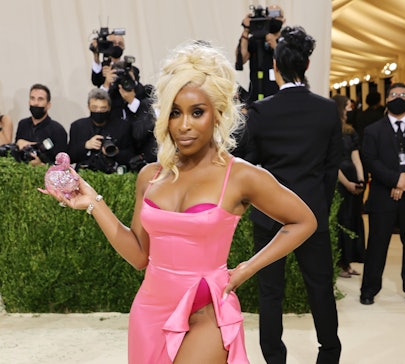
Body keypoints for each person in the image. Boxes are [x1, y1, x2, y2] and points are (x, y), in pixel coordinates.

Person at [40, 41, 317, 363]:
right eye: (174, 112)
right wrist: (94, 203)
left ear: (218, 114)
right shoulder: (150, 175)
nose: (184, 125)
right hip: (150, 310)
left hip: (207, 309)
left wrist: (245, 269)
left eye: (196, 112)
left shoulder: (241, 176)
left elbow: (303, 220)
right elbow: (140, 256)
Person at [242, 26, 342, 363]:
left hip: (269, 218)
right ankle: (329, 354)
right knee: (320, 290)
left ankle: (274, 360)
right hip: (312, 215)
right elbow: (331, 168)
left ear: (275, 67)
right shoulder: (328, 110)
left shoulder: (260, 111)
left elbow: (248, 166)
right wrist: (317, 209)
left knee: (271, 294)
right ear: (308, 65)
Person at [360, 82, 405, 305]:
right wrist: (395, 179)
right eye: (393, 94)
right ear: (387, 99)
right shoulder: (373, 130)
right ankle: (369, 290)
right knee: (377, 244)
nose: (398, 97)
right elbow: (370, 160)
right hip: (383, 196)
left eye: (403, 94)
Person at [332, 94, 365, 278]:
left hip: (352, 179)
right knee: (341, 221)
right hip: (339, 181)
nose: (350, 110)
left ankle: (349, 261)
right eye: (347, 106)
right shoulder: (332, 130)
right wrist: (347, 183)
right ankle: (340, 263)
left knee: (353, 221)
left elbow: (356, 158)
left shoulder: (351, 131)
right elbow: (332, 163)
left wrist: (360, 181)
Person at [67, 89, 139, 174]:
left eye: (103, 108)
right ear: (88, 107)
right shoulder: (78, 126)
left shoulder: (122, 126)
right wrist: (86, 145)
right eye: (95, 107)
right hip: (85, 175)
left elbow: (131, 155)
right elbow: (69, 156)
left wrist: (115, 152)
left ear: (109, 107)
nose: (98, 111)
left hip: (114, 175)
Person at [90, 31, 147, 120]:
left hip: (130, 116)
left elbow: (140, 92)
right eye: (113, 43)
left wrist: (133, 81)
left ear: (124, 47)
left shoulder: (132, 69)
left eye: (120, 44)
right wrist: (106, 84)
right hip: (111, 118)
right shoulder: (103, 69)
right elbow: (96, 83)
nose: (116, 46)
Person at [235, 4, 286, 106]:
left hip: (279, 97)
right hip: (256, 96)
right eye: (269, 14)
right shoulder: (255, 40)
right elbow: (242, 58)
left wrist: (275, 46)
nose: (273, 18)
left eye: (276, 14)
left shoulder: (287, 41)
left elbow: (290, 65)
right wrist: (246, 30)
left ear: (283, 20)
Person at [15, 84, 67, 166]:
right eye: (32, 98)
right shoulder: (22, 124)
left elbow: (62, 165)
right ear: (29, 102)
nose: (35, 103)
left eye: (40, 99)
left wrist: (41, 165)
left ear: (48, 105)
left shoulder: (58, 130)